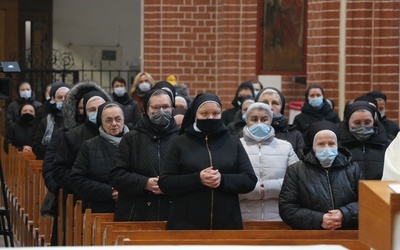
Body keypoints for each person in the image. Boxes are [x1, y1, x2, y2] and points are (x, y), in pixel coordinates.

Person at [158, 93, 257, 230]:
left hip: (226, 224)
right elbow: (165, 182)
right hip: (185, 224)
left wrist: (222, 180)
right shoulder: (180, 143)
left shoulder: (232, 142)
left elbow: (249, 180)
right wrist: (198, 179)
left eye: (216, 113)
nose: (210, 118)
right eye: (204, 113)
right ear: (195, 115)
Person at [42, 81, 109, 246]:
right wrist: (63, 188)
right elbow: (52, 168)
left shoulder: (118, 132)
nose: (96, 113)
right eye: (89, 109)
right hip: (73, 198)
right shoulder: (67, 134)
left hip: (107, 200)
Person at [109, 88, 179, 221]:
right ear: (146, 110)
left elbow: (189, 175)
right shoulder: (131, 138)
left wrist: (170, 185)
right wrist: (145, 183)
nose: (161, 111)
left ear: (172, 108)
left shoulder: (181, 138)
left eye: (166, 107)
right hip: (136, 212)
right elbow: (116, 175)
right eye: (156, 107)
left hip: (172, 212)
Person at [279, 120, 362, 230]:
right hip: (310, 235)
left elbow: (366, 202)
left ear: (338, 145)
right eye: (321, 144)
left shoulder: (353, 169)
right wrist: (320, 219)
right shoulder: (296, 170)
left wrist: (344, 214)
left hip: (347, 232)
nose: (327, 147)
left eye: (331, 143)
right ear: (313, 146)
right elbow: (287, 208)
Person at [239, 102, 298, 221]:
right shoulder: (235, 146)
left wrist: (267, 188)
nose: (259, 123)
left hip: (280, 218)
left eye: (264, 119)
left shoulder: (286, 147)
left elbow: (297, 182)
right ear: (247, 121)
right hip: (244, 217)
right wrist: (255, 190)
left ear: (270, 121)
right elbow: (229, 183)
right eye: (254, 119)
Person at [70, 102, 129, 213]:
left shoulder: (136, 143)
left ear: (124, 120)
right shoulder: (89, 146)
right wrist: (109, 192)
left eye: (118, 119)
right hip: (99, 209)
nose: (114, 124)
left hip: (131, 209)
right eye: (108, 120)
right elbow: (77, 180)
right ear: (101, 122)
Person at [338, 101, 390, 180]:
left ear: (374, 121)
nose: (363, 126)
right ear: (347, 122)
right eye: (357, 122)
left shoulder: (387, 146)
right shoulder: (338, 146)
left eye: (367, 122)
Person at [256, 87, 305, 156]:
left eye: (275, 103)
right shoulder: (246, 133)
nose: (270, 107)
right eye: (265, 103)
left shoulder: (295, 135)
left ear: (281, 107)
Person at [32, 82, 70, 160]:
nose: (63, 100)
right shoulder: (45, 121)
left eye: (66, 97)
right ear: (53, 99)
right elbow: (36, 146)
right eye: (60, 97)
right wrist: (54, 150)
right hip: (50, 161)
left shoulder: (78, 120)